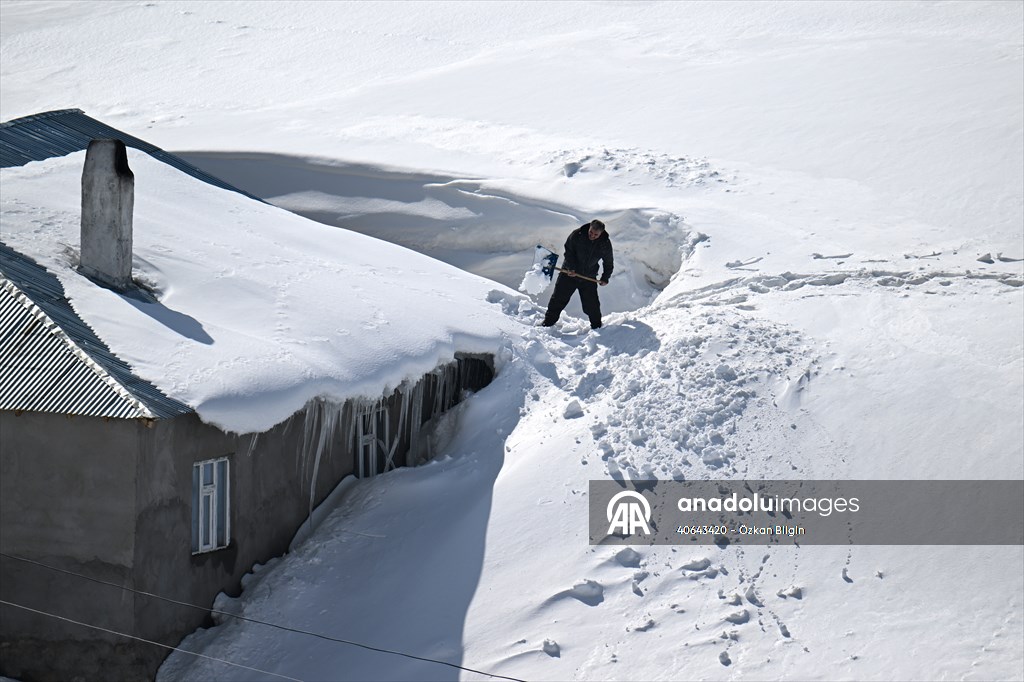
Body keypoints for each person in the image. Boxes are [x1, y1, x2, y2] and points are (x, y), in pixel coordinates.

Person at [542, 219, 613, 329]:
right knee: (558, 299)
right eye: (591, 232)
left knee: (592, 305)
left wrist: (605, 277)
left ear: (601, 233)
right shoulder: (577, 235)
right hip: (568, 274)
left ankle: (597, 327)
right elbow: (568, 252)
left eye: (596, 235)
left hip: (588, 277)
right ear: (589, 227)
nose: (592, 236)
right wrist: (571, 268)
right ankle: (547, 323)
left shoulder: (605, 243)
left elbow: (608, 262)